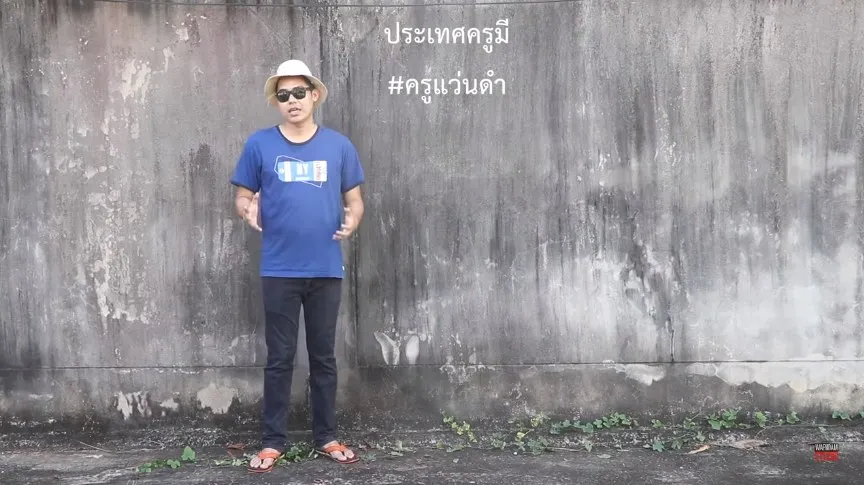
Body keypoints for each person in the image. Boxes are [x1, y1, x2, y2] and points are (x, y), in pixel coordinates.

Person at [229, 59, 365, 473]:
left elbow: (355, 200)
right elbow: (242, 195)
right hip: (279, 269)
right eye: (283, 94)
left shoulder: (339, 146)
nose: (292, 100)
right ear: (277, 101)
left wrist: (352, 221)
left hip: (325, 269)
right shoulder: (259, 145)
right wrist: (247, 209)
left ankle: (326, 436)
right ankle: (273, 441)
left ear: (315, 95)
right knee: (280, 358)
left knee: (323, 358)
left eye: (299, 92)